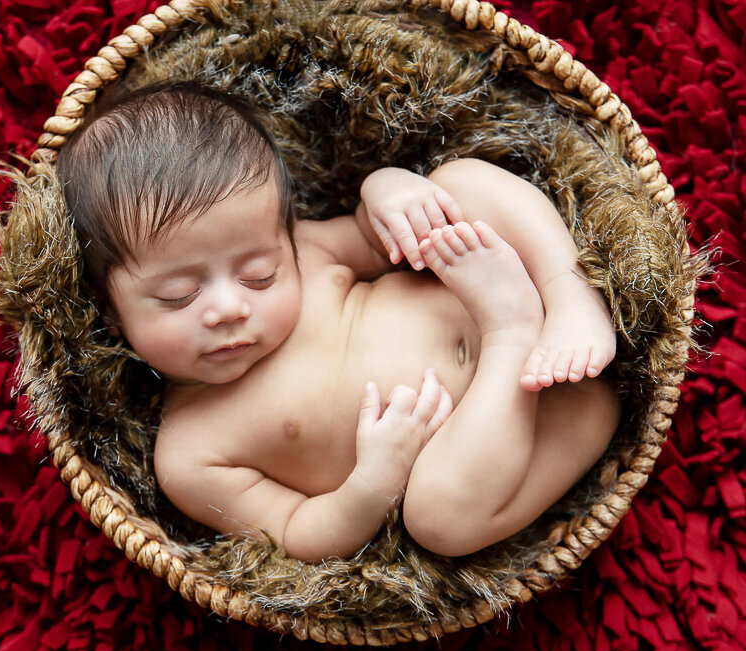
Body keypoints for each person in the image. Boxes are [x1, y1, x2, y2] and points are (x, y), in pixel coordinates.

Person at [57, 82, 620, 561]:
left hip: (542, 326)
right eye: (179, 296)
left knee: (454, 185)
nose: (229, 307)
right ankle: (512, 330)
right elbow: (300, 532)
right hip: (522, 434)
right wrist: (371, 483)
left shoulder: (305, 250)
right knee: (439, 521)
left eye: (257, 275)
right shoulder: (189, 453)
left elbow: (380, 236)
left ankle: (569, 294)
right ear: (110, 308)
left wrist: (387, 189)